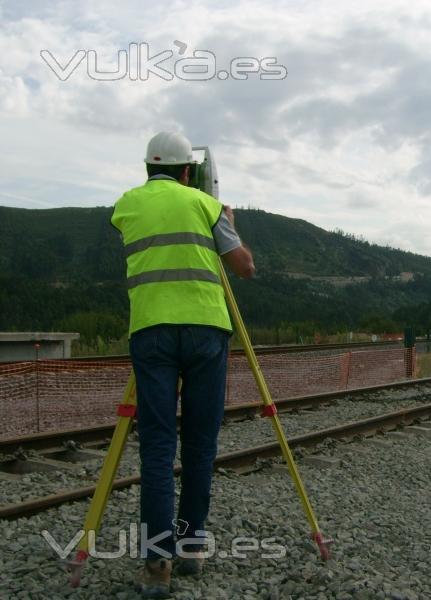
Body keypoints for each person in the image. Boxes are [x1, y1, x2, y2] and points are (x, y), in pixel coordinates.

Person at [111, 131, 255, 598]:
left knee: (156, 448)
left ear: (147, 169)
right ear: (189, 172)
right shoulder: (205, 206)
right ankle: (192, 548)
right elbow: (244, 267)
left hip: (150, 329)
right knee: (199, 442)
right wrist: (227, 220)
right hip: (206, 331)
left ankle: (157, 565)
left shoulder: (126, 205)